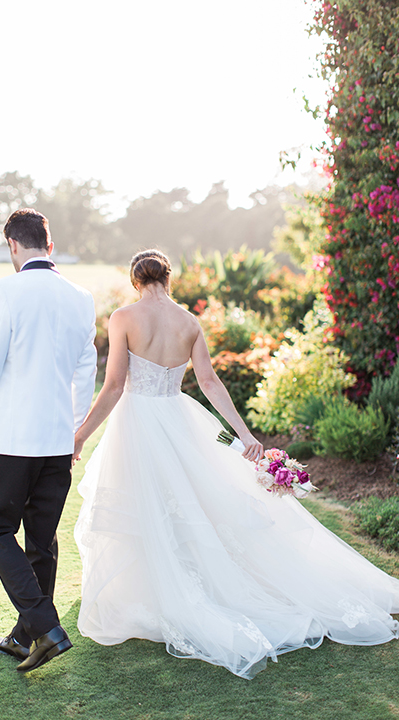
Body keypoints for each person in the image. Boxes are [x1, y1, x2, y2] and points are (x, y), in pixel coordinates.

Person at [73, 248, 399, 680]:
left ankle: (158, 591)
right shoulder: (189, 322)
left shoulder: (123, 317)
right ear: (168, 280)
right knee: (187, 502)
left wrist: (80, 435)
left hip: (138, 421)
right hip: (178, 417)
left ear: (136, 281)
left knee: (148, 505)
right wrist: (244, 435)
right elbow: (209, 381)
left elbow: (114, 385)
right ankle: (174, 583)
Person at [0, 208, 97, 673]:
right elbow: (86, 369)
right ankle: (23, 636)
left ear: (13, 244)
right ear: (49, 245)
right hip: (56, 441)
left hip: (12, 441)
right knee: (41, 539)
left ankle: (44, 627)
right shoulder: (81, 297)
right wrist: (73, 431)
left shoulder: (4, 291)